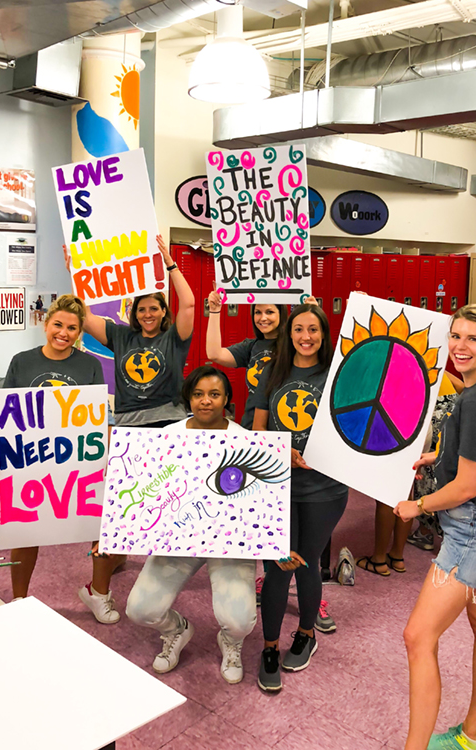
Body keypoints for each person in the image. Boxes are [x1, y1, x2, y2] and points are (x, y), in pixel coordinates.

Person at [394, 304, 476, 750]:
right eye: (456, 336)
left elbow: (467, 487)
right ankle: (474, 737)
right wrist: (439, 458)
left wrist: (418, 505)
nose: (460, 347)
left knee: (417, 637)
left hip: (472, 534)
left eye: (473, 339)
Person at [0, 294, 125, 624]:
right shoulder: (22, 361)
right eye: (58, 325)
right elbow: (5, 414)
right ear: (46, 324)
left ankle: (98, 592)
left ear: (79, 333)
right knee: (25, 530)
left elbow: (97, 416)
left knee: (97, 522)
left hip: (75, 459)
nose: (64, 333)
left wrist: (107, 453)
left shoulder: (88, 365)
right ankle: (18, 598)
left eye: (72, 328)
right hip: (30, 460)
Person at [125, 365, 257, 684]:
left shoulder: (246, 442)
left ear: (227, 398)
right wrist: (115, 534)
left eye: (214, 394)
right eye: (198, 394)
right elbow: (143, 493)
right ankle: (177, 630)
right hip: (178, 539)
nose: (206, 401)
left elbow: (259, 506)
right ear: (188, 398)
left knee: (239, 620)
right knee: (139, 609)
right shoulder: (166, 438)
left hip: (228, 542)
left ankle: (231, 641)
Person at [252, 303, 348, 692]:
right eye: (298, 330)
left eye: (314, 330)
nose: (305, 337)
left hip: (325, 489)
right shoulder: (273, 372)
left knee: (306, 563)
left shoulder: (335, 376)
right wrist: (281, 452)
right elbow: (258, 430)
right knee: (277, 566)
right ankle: (270, 647)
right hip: (275, 485)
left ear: (325, 336)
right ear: (288, 334)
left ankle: (307, 634)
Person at [64, 234, 195, 427]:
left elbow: (189, 305)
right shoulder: (121, 336)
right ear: (135, 313)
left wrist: (171, 265)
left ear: (163, 311)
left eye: (153, 309)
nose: (147, 315)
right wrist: (76, 274)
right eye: (141, 310)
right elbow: (87, 318)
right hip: (128, 423)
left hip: (169, 420)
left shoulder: (174, 338)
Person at [206, 291, 288, 429]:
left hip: (282, 429)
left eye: (269, 312)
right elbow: (214, 354)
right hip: (251, 427)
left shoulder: (293, 346)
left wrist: (311, 314)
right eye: (257, 312)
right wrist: (214, 311)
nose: (263, 318)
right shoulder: (251, 347)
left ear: (281, 314)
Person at [407, 371, 464, 552]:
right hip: (451, 410)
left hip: (429, 410)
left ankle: (426, 531)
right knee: (446, 469)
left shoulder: (406, 362)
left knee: (424, 471)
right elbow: (462, 387)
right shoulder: (436, 366)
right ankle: (450, 530)